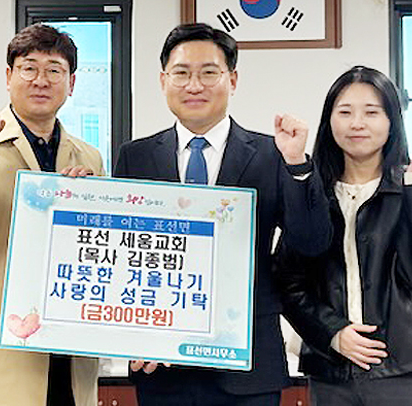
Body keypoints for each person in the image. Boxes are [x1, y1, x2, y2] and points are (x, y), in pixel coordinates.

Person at [114, 23, 333, 406]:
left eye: (208, 72)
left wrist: (298, 165)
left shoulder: (273, 154)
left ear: (232, 79)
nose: (194, 85)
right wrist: (132, 336)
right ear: (164, 81)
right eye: (181, 73)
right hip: (162, 365)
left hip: (247, 365)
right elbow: (122, 255)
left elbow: (312, 242)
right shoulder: (136, 156)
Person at [0, 23, 104, 406]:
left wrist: (86, 207)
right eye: (29, 68)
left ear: (72, 83)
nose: (41, 80)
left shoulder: (89, 158)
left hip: (68, 351)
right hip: (0, 353)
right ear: (8, 76)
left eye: (54, 70)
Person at [274, 65, 412, 405]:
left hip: (405, 373)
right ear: (329, 121)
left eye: (372, 112)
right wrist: (332, 332)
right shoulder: (313, 193)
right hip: (331, 374)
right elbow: (287, 282)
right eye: (345, 112)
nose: (357, 123)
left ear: (392, 121)